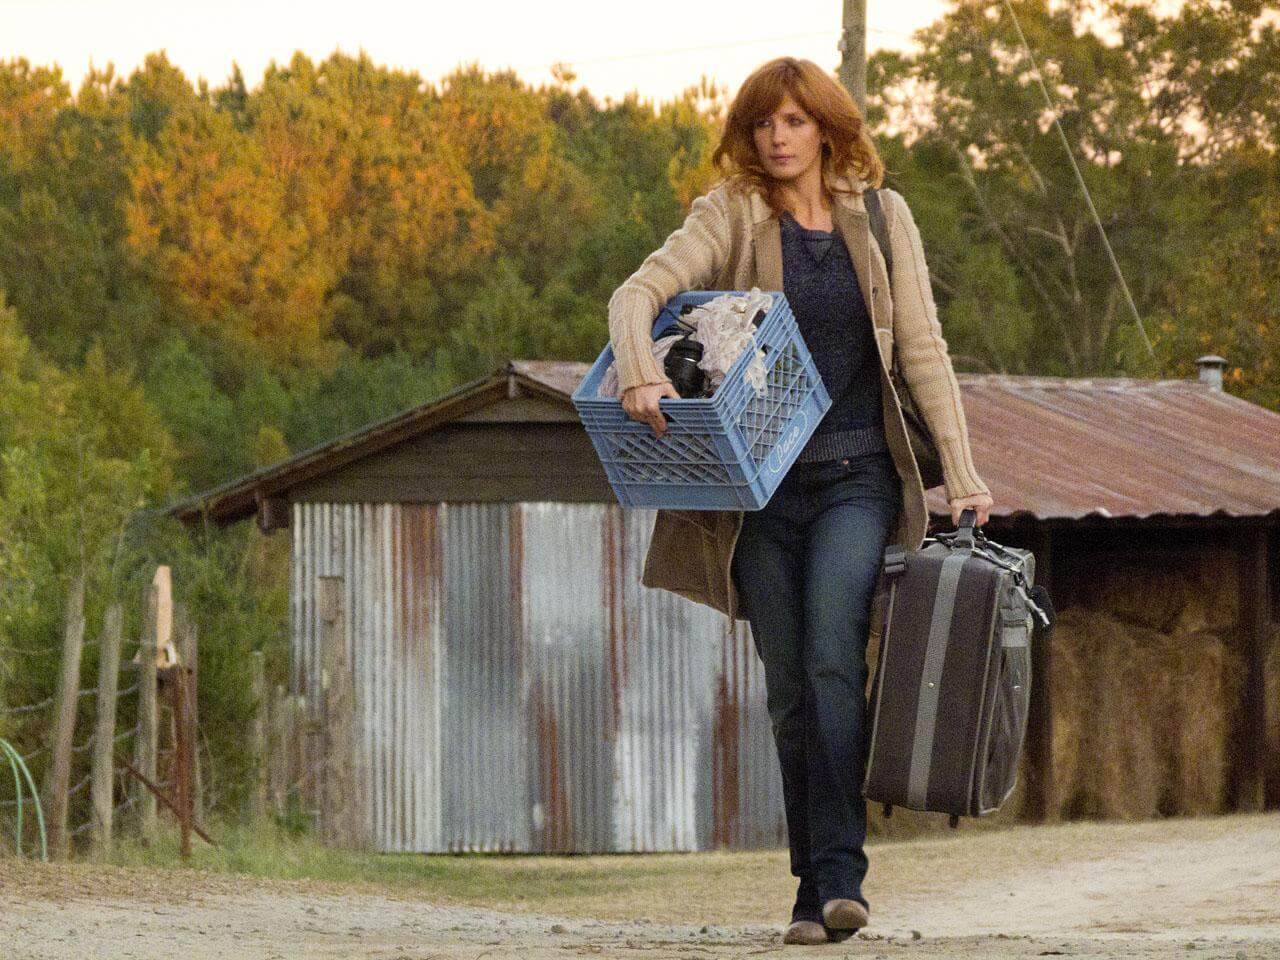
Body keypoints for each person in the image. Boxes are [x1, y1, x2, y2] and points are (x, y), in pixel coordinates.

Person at [608, 57, 994, 945]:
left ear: (826, 127)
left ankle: (843, 874)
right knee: (788, 691)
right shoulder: (730, 215)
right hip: (758, 492)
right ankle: (809, 888)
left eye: (793, 121)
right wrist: (637, 370)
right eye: (762, 124)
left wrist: (964, 471)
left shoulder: (884, 219)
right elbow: (637, 294)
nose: (778, 138)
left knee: (831, 660)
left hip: (857, 477)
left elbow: (923, 350)